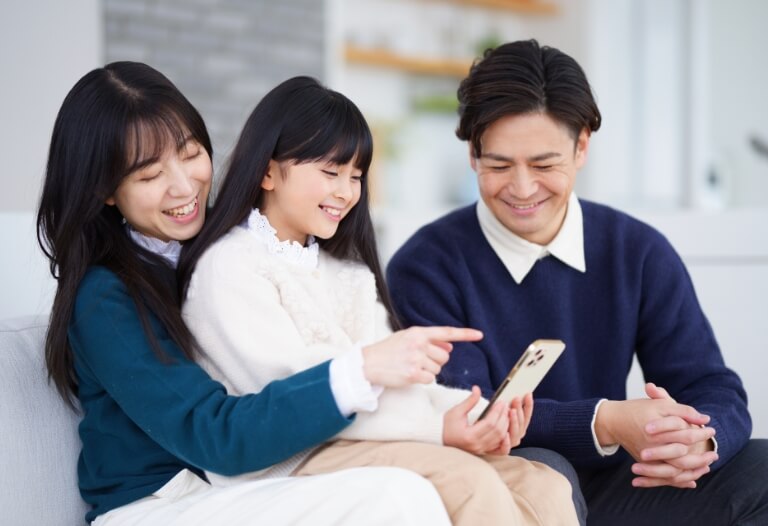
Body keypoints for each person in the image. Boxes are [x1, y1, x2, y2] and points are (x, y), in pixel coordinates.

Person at [36, 61, 458, 526]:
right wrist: (359, 369)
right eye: (150, 175)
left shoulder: (231, 251)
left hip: (241, 488)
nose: (184, 186)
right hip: (157, 506)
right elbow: (213, 434)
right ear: (105, 190)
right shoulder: (104, 300)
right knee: (396, 496)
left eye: (190, 153)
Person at [386, 39, 768, 525]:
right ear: (472, 155)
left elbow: (709, 383)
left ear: (582, 146)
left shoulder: (636, 250)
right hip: (509, 486)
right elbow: (468, 411)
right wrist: (605, 420)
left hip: (621, 484)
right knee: (546, 472)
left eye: (544, 165)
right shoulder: (426, 265)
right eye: (499, 165)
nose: (522, 188)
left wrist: (699, 440)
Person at [180, 75, 579, 525]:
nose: (346, 192)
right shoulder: (231, 266)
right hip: (290, 457)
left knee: (543, 483)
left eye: (355, 176)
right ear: (268, 171)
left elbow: (399, 387)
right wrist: (437, 428)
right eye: (330, 172)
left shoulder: (348, 273)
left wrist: (475, 416)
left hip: (369, 441)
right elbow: (296, 394)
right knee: (469, 482)